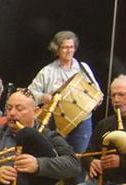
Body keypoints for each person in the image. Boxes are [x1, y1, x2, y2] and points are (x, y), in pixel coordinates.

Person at [29, 30, 99, 161]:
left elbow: (97, 92)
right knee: (56, 158)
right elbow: (30, 93)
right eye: (65, 47)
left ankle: (77, 182)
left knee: (79, 158)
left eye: (71, 47)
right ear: (57, 49)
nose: (69, 51)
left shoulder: (83, 68)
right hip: (55, 123)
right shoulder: (47, 71)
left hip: (82, 122)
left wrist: (93, 102)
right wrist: (43, 97)